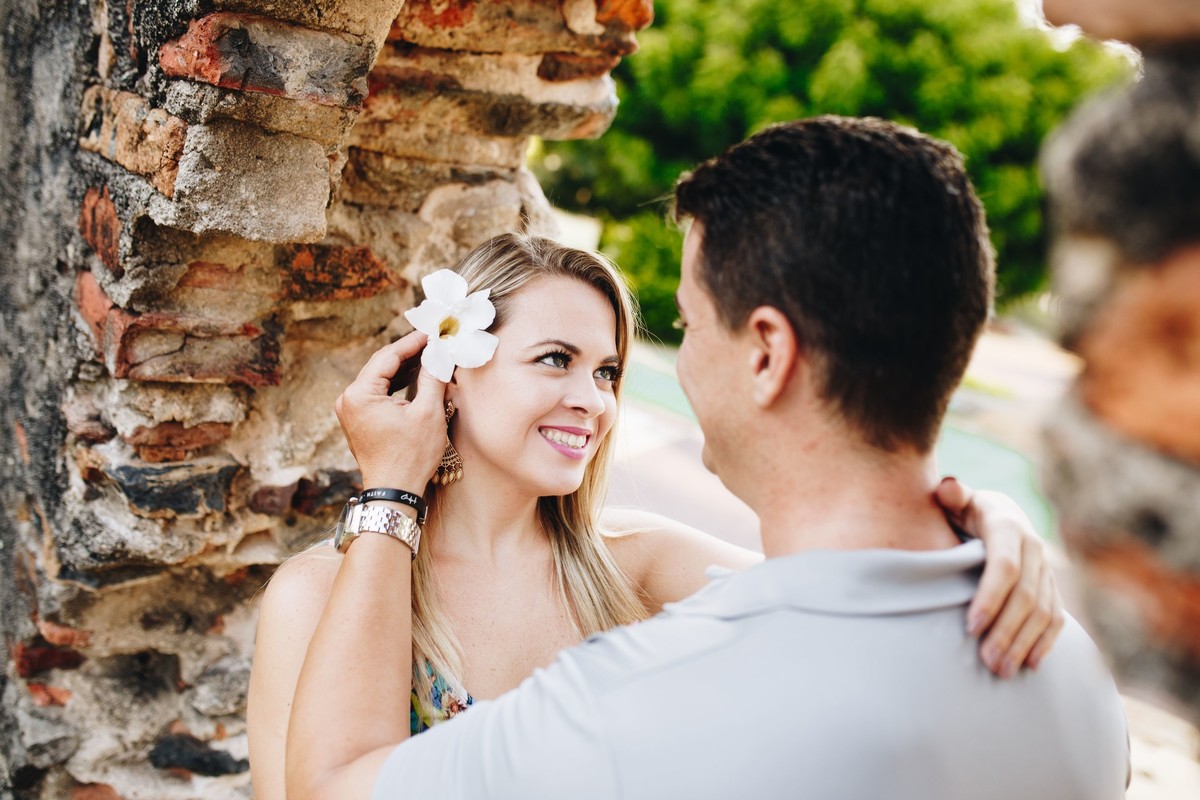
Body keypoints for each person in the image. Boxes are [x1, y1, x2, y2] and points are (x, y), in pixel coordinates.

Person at [281, 116, 1129, 800]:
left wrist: (387, 492)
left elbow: (335, 784)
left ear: (765, 353)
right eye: (556, 360)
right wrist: (977, 530)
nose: (604, 394)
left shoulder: (634, 691)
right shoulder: (1075, 676)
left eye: (681, 329)